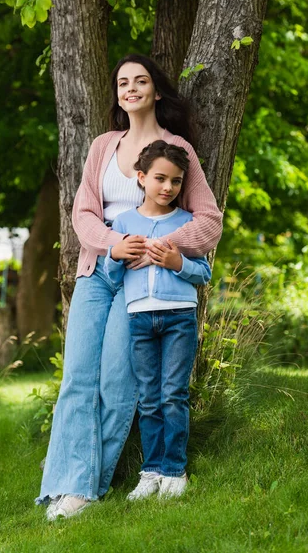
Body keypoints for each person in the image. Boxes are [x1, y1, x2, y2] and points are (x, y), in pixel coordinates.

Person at [36, 53, 222, 520]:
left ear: (156, 91)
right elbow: (82, 213)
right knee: (77, 378)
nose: (131, 88)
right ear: (118, 94)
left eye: (141, 81)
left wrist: (158, 246)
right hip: (97, 272)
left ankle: (88, 488)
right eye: (123, 82)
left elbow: (209, 221)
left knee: (117, 384)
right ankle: (65, 485)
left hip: (143, 286)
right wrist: (115, 243)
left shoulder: (177, 148)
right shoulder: (103, 146)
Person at [104, 141, 211, 500]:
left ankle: (174, 471)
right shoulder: (124, 222)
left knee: (173, 394)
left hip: (179, 318)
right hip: (139, 319)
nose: (168, 187)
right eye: (160, 178)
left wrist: (175, 263)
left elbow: (203, 272)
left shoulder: (187, 223)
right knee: (149, 398)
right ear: (141, 177)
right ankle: (150, 471)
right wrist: (117, 254)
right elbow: (113, 276)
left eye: (177, 181)